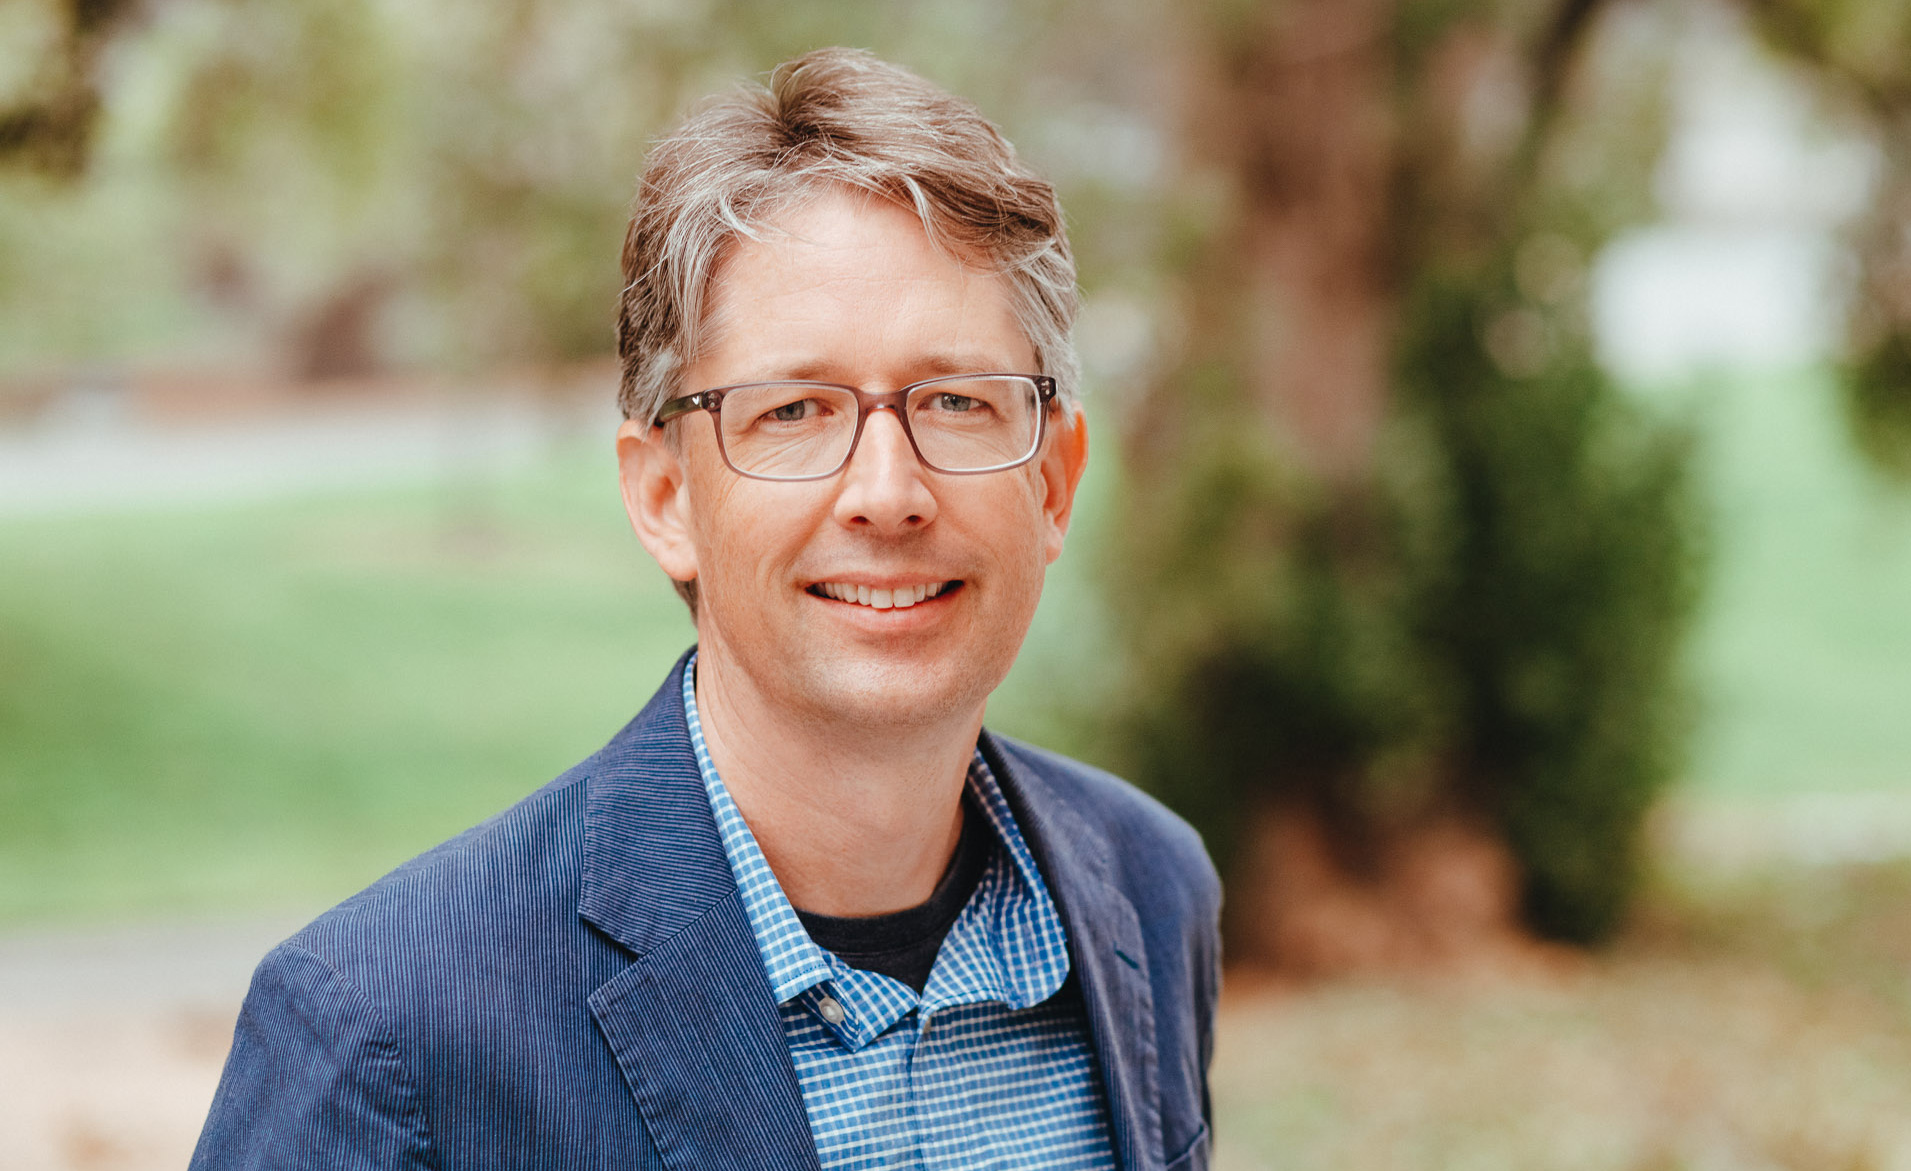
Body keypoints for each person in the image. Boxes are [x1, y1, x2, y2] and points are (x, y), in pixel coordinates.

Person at [190, 47, 1219, 1171]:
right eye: (793, 412)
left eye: (959, 401)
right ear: (665, 494)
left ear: (1053, 481)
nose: (886, 492)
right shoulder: (382, 1037)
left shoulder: (1146, 891)